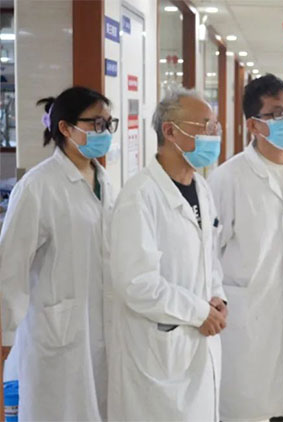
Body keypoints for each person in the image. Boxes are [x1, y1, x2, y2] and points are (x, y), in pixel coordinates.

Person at [108, 88, 227, 421]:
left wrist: (218, 297)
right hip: (158, 350)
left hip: (199, 339)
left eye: (215, 127)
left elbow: (209, 258)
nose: (213, 136)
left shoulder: (201, 188)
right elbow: (136, 284)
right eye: (204, 126)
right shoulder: (140, 195)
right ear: (170, 131)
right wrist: (199, 311)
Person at [209, 74, 283, 422]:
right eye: (276, 113)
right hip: (248, 312)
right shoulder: (228, 178)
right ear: (253, 125)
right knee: (247, 405)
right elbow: (208, 251)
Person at [0, 86, 117, 421]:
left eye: (109, 124)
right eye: (96, 124)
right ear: (65, 128)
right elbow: (10, 268)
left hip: (101, 327)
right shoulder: (37, 186)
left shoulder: (105, 182)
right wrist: (5, 335)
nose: (104, 133)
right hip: (56, 332)